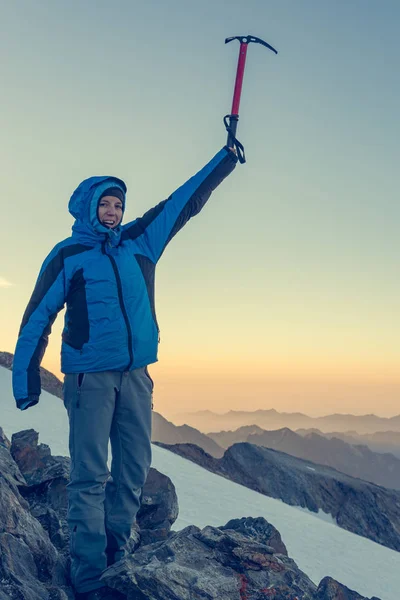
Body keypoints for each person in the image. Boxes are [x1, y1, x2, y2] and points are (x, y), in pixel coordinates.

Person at [12, 143, 238, 599]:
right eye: (106, 204)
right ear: (89, 208)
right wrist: (25, 375)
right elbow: (38, 315)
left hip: (137, 376)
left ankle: (116, 554)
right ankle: (89, 575)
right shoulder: (68, 254)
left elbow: (184, 201)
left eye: (119, 204)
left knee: (134, 468)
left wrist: (225, 159)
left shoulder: (141, 242)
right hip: (88, 379)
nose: (114, 211)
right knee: (91, 474)